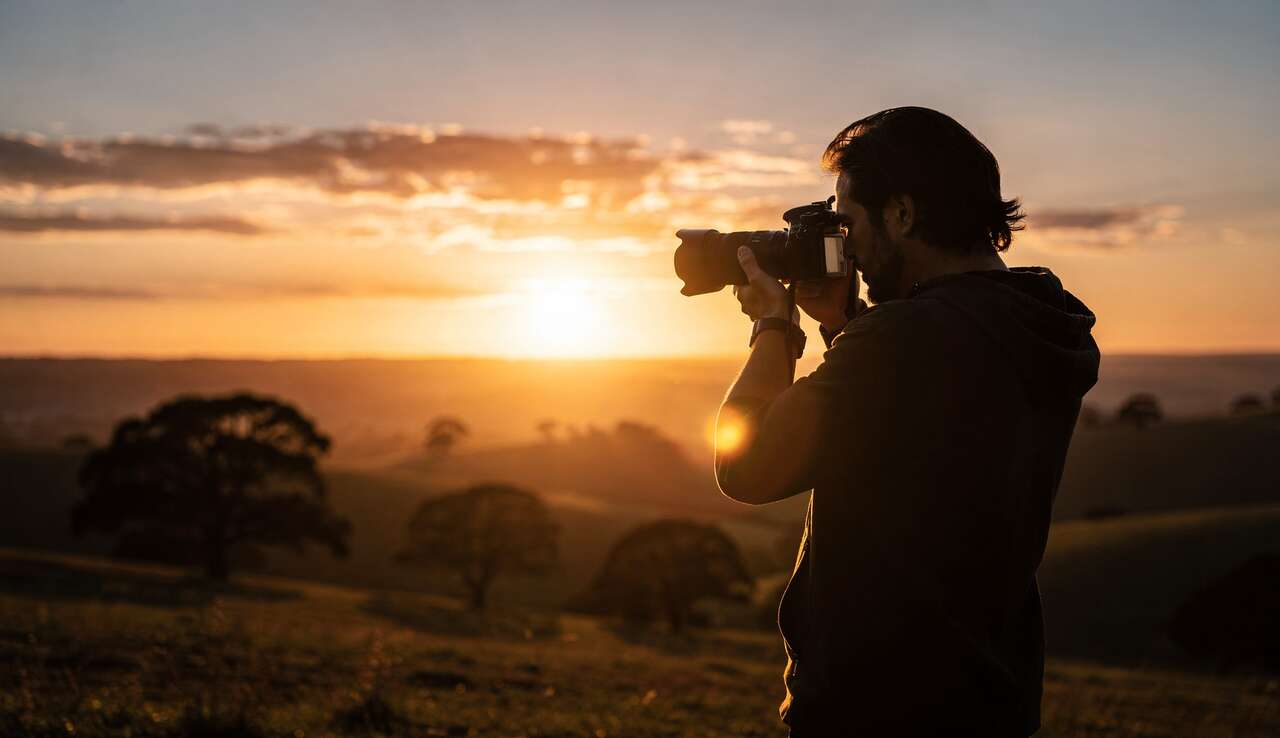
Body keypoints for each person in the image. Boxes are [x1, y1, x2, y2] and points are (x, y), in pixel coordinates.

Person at [714, 107, 1100, 737]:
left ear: (901, 213)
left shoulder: (905, 338)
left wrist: (774, 329)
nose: (848, 245)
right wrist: (845, 329)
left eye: (849, 219)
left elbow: (747, 465)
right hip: (988, 699)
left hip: (877, 707)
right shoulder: (1037, 322)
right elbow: (918, 428)